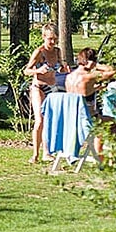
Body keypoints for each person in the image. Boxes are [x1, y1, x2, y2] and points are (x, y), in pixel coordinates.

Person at [23, 23, 70, 163]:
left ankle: (47, 152)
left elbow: (60, 68)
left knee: (51, 120)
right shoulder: (39, 52)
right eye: (50, 39)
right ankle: (35, 154)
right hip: (38, 88)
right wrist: (37, 71)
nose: (53, 42)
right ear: (44, 37)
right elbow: (26, 71)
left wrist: (63, 69)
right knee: (40, 120)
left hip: (52, 88)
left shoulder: (57, 51)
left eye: (55, 38)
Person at [65, 47, 116, 155]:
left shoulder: (69, 77)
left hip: (71, 118)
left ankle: (100, 155)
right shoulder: (88, 77)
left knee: (101, 121)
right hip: (87, 119)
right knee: (112, 122)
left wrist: (94, 89)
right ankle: (105, 157)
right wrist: (96, 65)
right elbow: (113, 71)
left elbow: (79, 94)